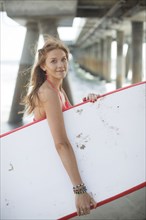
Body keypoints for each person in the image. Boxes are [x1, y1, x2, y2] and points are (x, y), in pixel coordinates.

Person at [24, 35, 99, 216]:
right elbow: (61, 143)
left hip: (60, 167)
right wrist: (79, 190)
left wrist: (87, 103)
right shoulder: (48, 93)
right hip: (52, 169)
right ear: (43, 66)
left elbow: (71, 124)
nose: (61, 65)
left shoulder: (57, 89)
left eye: (64, 59)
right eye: (54, 61)